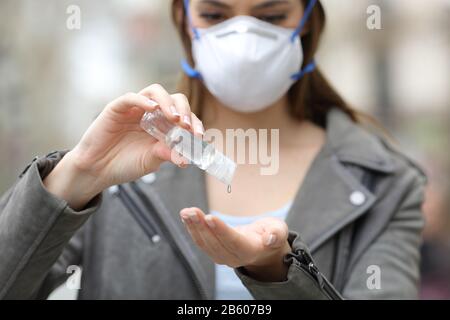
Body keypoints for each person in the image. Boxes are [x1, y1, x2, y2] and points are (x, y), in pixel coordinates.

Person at [0, 0, 426, 300]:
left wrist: (278, 277)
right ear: (185, 21)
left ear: (309, 24)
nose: (243, 41)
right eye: (215, 14)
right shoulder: (119, 170)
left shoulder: (386, 184)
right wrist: (78, 175)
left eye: (272, 15)